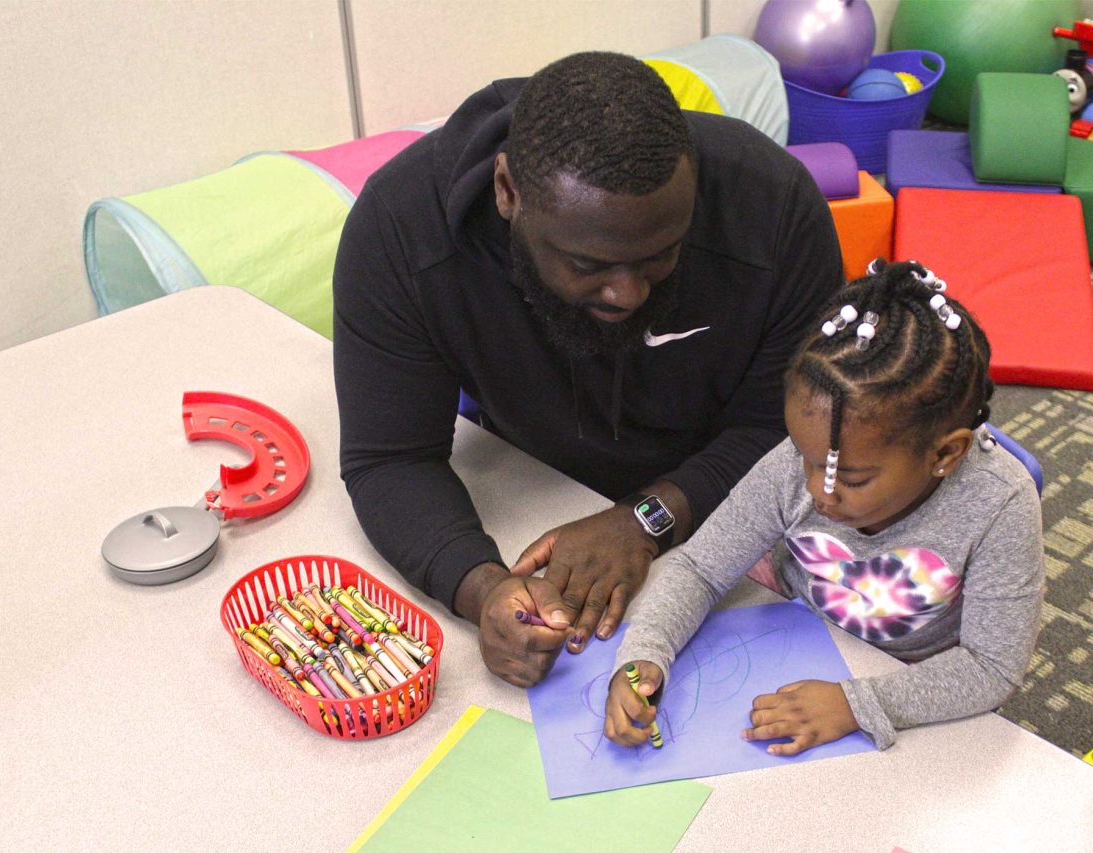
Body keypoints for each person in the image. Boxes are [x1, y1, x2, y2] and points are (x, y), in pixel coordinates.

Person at [333, 51, 844, 687]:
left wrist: (647, 518)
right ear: (507, 193)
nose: (628, 293)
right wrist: (483, 588)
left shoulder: (775, 208)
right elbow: (392, 458)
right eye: (588, 264)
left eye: (662, 256)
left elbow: (787, 428)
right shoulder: (400, 229)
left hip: (730, 514)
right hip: (531, 493)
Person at [604, 259, 1045, 753]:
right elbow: (701, 568)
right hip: (794, 624)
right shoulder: (807, 459)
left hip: (912, 679)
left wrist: (857, 703)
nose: (817, 490)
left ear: (944, 454)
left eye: (849, 477)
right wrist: (646, 653)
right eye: (804, 455)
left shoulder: (999, 504)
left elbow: (991, 667)